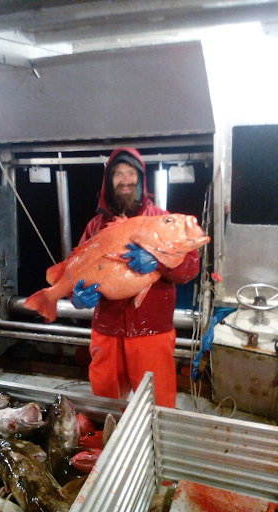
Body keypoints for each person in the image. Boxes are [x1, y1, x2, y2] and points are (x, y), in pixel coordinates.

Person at [72, 147, 199, 408]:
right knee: (105, 403)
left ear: (141, 180)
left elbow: (190, 268)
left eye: (131, 173)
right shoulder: (95, 226)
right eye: (118, 173)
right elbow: (78, 268)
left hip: (152, 332)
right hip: (106, 330)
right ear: (109, 181)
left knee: (156, 406)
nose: (125, 179)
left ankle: (154, 448)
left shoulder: (163, 220)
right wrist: (76, 296)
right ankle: (103, 447)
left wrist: (159, 262)